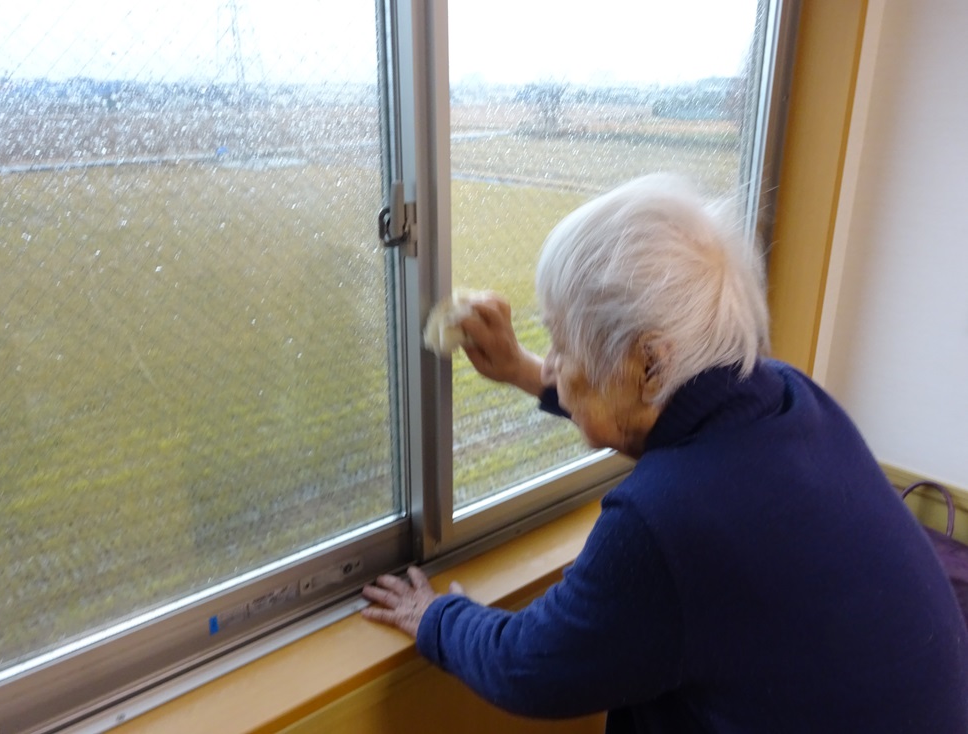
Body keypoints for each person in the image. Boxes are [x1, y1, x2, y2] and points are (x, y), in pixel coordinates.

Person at [361, 174, 968, 733]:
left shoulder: (663, 525)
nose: (551, 365)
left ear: (650, 363)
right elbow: (675, 433)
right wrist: (522, 369)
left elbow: (529, 666)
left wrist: (435, 617)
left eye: (562, 344)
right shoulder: (789, 398)